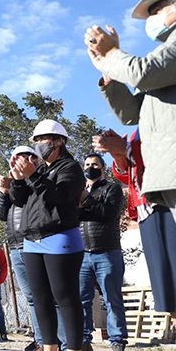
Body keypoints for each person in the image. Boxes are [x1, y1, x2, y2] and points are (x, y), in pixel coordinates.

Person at [85, 0, 176, 219]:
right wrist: (109, 72)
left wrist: (113, 55)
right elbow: (132, 114)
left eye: (157, 9)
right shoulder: (165, 52)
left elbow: (143, 73)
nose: (152, 18)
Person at [9, 119, 85, 351]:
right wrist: (18, 179)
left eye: (44, 139)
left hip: (60, 237)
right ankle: (50, 346)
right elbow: (18, 200)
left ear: (59, 141)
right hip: (32, 241)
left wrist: (32, 176)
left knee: (64, 297)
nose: (40, 144)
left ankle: (73, 347)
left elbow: (59, 196)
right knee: (40, 299)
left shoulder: (70, 168)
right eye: (37, 140)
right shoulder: (40, 170)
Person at [93, 129, 176, 324]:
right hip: (146, 209)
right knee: (167, 284)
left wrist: (126, 149)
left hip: (168, 202)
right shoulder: (136, 133)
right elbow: (129, 175)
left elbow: (166, 158)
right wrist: (119, 154)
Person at [0, 146, 67, 351]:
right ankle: (41, 340)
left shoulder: (40, 179)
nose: (22, 160)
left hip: (38, 242)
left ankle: (61, 340)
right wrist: (3, 193)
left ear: (36, 159)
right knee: (32, 297)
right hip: (16, 246)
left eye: (28, 157)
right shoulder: (13, 186)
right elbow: (2, 215)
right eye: (17, 157)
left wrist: (24, 179)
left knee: (51, 295)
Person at [78, 154, 128, 351]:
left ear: (103, 167)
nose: (91, 168)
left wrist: (86, 200)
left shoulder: (112, 188)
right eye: (88, 165)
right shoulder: (78, 192)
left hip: (107, 252)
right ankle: (83, 338)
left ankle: (117, 340)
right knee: (82, 299)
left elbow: (109, 213)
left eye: (95, 164)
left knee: (111, 297)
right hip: (82, 254)